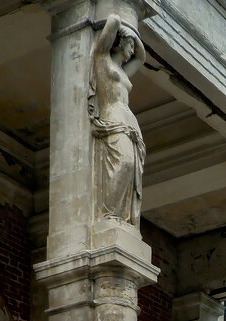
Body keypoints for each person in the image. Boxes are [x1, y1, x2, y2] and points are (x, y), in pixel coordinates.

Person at [90, 14, 146, 225]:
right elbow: (113, 19)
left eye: (132, 46)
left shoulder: (123, 71)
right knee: (123, 163)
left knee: (130, 169)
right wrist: (121, 25)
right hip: (112, 119)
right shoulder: (103, 61)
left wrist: (135, 38)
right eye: (129, 45)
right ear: (119, 43)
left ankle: (122, 216)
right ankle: (110, 214)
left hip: (130, 128)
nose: (132, 51)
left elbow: (142, 58)